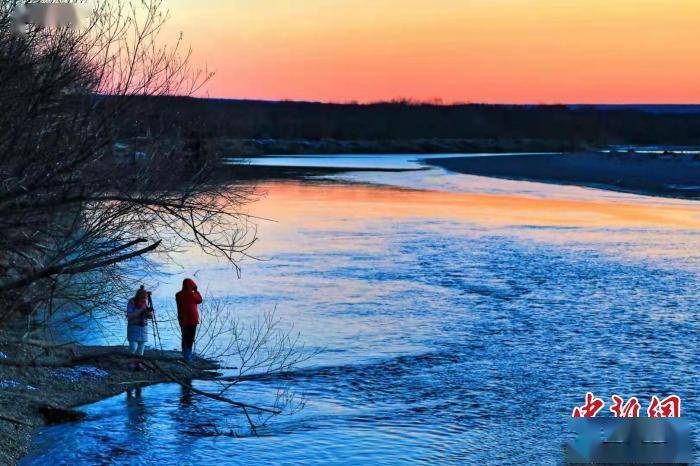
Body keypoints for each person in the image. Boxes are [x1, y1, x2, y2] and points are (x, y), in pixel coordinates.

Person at [176, 278, 203, 362]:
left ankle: (185, 355)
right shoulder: (193, 295)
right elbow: (200, 300)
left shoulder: (178, 295)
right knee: (190, 338)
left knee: (184, 337)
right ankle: (188, 357)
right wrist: (196, 291)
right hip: (192, 319)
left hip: (182, 319)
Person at [126, 286, 153, 356]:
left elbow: (149, 317)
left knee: (141, 349)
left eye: (145, 298)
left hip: (143, 327)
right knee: (133, 348)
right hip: (133, 326)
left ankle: (138, 363)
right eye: (142, 297)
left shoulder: (145, 302)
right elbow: (129, 316)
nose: (144, 299)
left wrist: (149, 313)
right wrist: (140, 311)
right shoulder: (131, 302)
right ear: (138, 296)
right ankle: (131, 361)